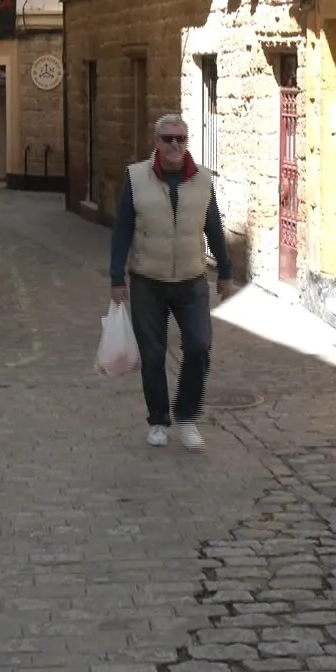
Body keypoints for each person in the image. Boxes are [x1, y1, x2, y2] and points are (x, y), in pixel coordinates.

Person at [109, 114, 236, 451]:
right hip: (147, 279)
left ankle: (187, 417)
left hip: (192, 280)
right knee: (152, 354)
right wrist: (115, 276)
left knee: (198, 347)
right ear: (157, 142)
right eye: (168, 139)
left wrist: (224, 271)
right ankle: (158, 421)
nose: (175, 145)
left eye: (181, 138)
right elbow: (122, 229)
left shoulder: (203, 180)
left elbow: (214, 227)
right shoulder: (136, 177)